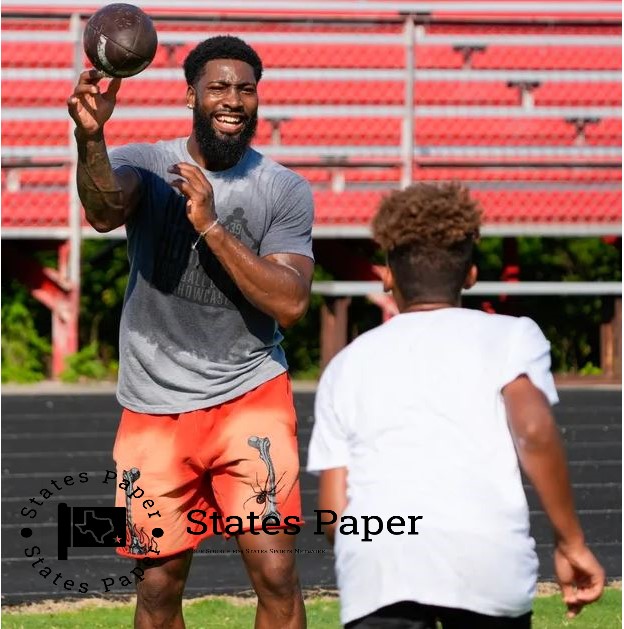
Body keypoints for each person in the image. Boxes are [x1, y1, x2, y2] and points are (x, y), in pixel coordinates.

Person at [68, 35, 313, 629]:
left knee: (276, 575)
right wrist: (91, 137)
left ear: (258, 99)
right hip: (153, 404)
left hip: (250, 395)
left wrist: (209, 225)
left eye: (246, 88)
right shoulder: (149, 164)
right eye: (219, 87)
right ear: (191, 96)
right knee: (156, 586)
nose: (233, 99)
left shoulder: (283, 188)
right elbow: (102, 212)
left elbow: (290, 302)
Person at [307, 182, 604, 628]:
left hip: (380, 567)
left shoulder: (346, 364)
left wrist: (367, 554)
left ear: (387, 275)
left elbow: (333, 511)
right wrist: (571, 542)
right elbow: (535, 429)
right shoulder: (512, 335)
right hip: (486, 561)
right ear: (470, 275)